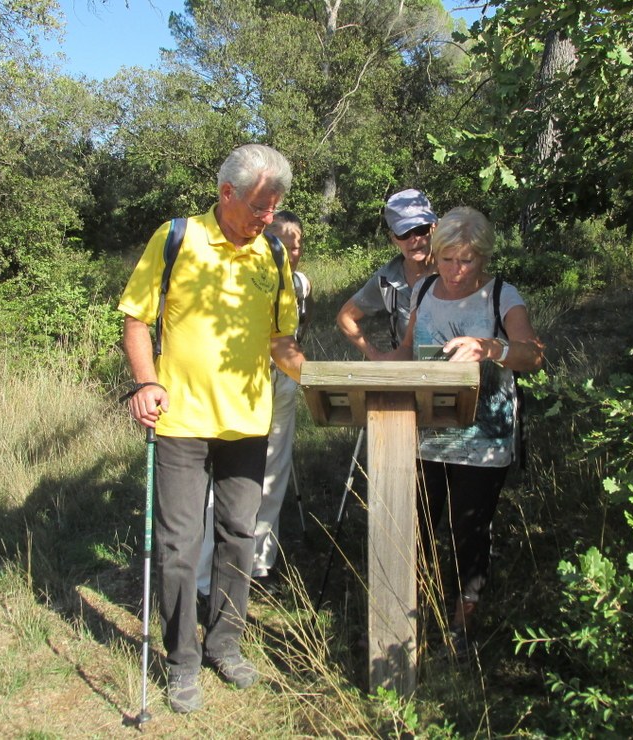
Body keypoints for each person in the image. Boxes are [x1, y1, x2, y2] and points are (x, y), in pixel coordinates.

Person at [118, 144, 306, 713]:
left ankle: (226, 644)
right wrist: (145, 382)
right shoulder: (176, 238)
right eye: (258, 206)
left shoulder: (272, 253)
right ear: (226, 193)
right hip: (180, 422)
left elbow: (280, 342)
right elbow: (136, 317)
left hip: (248, 423)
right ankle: (181, 662)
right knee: (178, 547)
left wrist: (323, 379)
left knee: (237, 537)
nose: (266, 217)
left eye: (274, 207)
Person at [388, 206, 544, 657]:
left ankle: (459, 627)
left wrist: (490, 346)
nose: (456, 271)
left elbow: (533, 355)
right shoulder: (424, 290)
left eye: (467, 261)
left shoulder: (502, 295)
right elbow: (406, 353)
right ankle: (408, 620)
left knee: (466, 531)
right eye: (447, 259)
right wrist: (365, 371)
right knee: (414, 525)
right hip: (425, 436)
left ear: (484, 258)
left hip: (483, 442)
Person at [196, 211, 312, 595]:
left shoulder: (300, 285)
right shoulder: (245, 275)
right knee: (232, 475)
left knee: (275, 472)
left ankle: (259, 564)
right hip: (243, 383)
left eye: (297, 244)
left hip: (282, 383)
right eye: (283, 242)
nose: (291, 251)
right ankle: (206, 572)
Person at [336, 188, 437, 358]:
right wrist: (376, 357)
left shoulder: (454, 269)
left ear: (432, 228)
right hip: (410, 379)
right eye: (404, 233)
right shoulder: (387, 279)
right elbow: (345, 317)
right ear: (394, 238)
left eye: (420, 229)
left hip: (458, 375)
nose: (414, 239)